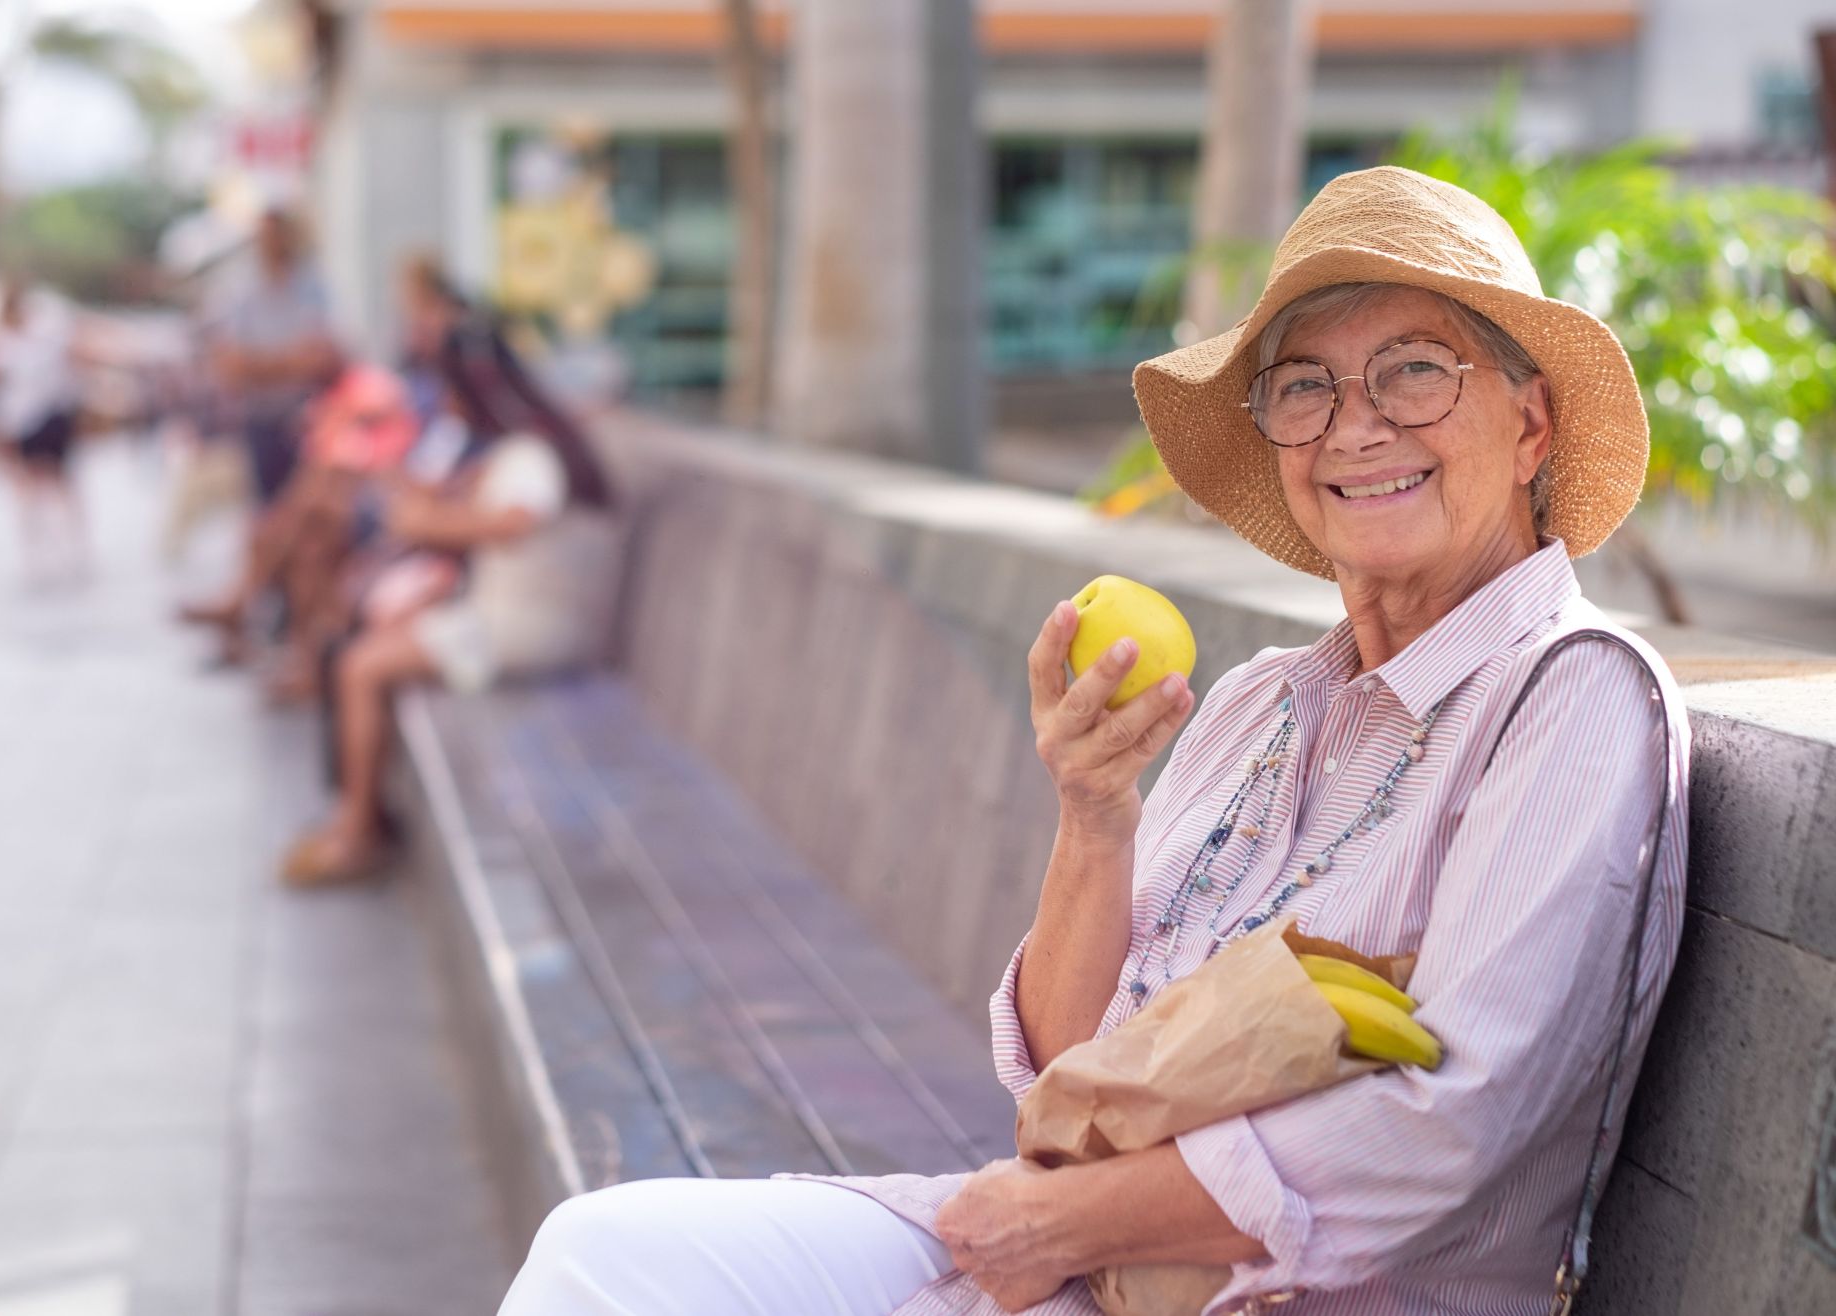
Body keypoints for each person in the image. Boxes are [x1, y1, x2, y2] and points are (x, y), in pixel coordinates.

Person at [495, 167, 1693, 1315]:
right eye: (1307, 388)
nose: (1355, 427)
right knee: (599, 1259)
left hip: (1255, 1291)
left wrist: (1067, 1224)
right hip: (1069, 1263)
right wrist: (1093, 812)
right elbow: (1067, 1072)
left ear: (1530, 424)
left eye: (1416, 372)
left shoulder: (1572, 698)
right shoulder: (1256, 702)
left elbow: (1452, 1125)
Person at [277, 285, 621, 886]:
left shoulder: (535, 459)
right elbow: (451, 500)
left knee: (361, 667)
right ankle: (360, 812)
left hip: (531, 632)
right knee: (369, 633)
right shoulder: (527, 449)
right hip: (513, 619)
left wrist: (425, 518)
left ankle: (359, 830)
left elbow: (508, 524)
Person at [204, 206, 339, 507]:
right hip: (261, 418)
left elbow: (320, 358)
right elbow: (230, 365)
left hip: (307, 418)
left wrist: (260, 365)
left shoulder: (312, 284)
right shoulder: (241, 288)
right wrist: (289, 363)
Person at [0, 279, 86, 580]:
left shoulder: (34, 335)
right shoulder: (6, 342)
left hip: (41, 418)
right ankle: (50, 550)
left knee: (48, 485)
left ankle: (62, 548)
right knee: (42, 487)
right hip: (30, 420)